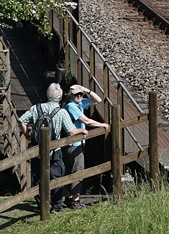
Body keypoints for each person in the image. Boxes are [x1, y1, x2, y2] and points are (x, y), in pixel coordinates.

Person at [19, 82, 86, 212]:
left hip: (37, 151)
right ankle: (56, 207)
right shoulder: (61, 112)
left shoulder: (36, 108)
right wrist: (82, 131)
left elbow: (22, 120)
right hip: (55, 152)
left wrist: (27, 135)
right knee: (56, 179)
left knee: (38, 179)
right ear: (60, 97)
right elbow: (71, 131)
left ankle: (41, 205)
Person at [62, 84, 109, 210]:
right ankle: (75, 200)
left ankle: (68, 197)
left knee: (74, 169)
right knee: (78, 170)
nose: (79, 96)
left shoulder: (80, 104)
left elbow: (98, 100)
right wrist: (102, 124)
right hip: (74, 144)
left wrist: (86, 90)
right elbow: (86, 121)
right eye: (77, 94)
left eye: (81, 94)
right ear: (71, 95)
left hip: (78, 143)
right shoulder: (71, 106)